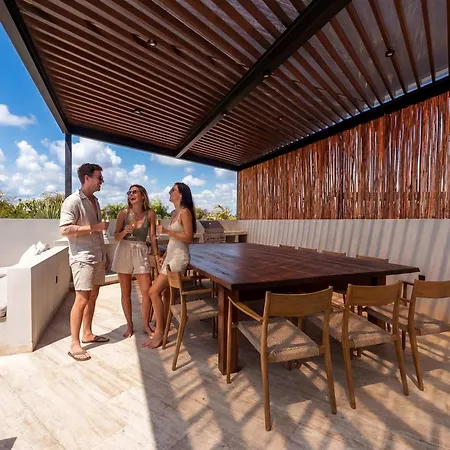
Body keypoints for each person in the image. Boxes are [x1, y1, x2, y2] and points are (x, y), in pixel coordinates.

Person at [60, 163, 109, 362]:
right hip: (82, 258)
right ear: (87, 178)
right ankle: (74, 344)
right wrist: (95, 227)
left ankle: (87, 333)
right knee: (81, 300)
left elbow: (98, 233)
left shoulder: (95, 201)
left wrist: (104, 255)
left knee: (93, 296)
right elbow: (64, 229)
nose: (102, 181)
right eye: (99, 178)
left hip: (97, 256)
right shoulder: (72, 201)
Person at [146, 182, 196, 349]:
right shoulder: (174, 213)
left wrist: (167, 231)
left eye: (173, 190)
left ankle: (159, 332)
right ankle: (165, 329)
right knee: (166, 294)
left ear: (180, 194)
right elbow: (174, 240)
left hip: (179, 258)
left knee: (153, 292)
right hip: (171, 257)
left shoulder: (185, 212)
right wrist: (164, 255)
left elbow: (188, 238)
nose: (169, 191)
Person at [112, 185, 158, 338]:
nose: (131, 194)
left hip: (141, 250)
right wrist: (124, 232)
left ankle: (146, 325)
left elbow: (152, 237)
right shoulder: (123, 213)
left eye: (134, 192)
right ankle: (129, 326)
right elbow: (116, 237)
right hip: (124, 249)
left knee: (147, 291)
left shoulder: (150, 213)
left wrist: (156, 255)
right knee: (125, 292)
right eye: (129, 192)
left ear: (143, 196)